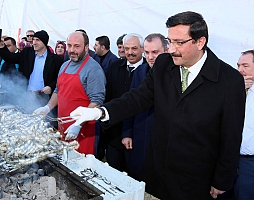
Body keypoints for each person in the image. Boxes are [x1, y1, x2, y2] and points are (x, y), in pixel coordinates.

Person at [68, 11, 246, 200]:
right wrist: (99, 112)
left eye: (179, 42)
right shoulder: (164, 64)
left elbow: (231, 136)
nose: (171, 49)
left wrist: (222, 179)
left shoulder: (229, 80)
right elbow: (138, 98)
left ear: (200, 42)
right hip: (157, 170)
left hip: (196, 177)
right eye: (170, 42)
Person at [33, 31, 106, 155]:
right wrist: (47, 107)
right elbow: (57, 91)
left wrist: (78, 124)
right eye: (70, 45)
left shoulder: (94, 69)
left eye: (77, 46)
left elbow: (97, 102)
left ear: (86, 47)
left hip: (84, 131)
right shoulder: (65, 66)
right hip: (64, 126)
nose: (72, 50)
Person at [121, 33, 168, 180]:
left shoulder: (174, 75)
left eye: (155, 52)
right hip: (140, 134)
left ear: (166, 51)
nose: (150, 57)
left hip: (162, 138)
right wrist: (127, 132)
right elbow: (131, 103)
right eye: (147, 52)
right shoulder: (140, 72)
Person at [99, 33, 146, 171]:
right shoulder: (115, 66)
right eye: (127, 48)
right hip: (114, 130)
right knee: (113, 169)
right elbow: (109, 95)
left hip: (137, 131)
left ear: (142, 49)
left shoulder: (149, 71)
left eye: (134, 48)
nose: (130, 53)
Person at [0, 30, 63, 108]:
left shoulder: (55, 59)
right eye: (34, 39)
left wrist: (51, 87)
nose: (34, 42)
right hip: (27, 96)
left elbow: (59, 79)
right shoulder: (27, 53)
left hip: (45, 98)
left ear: (44, 42)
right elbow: (10, 58)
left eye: (38, 40)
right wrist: (0, 46)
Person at [233, 50, 254, 200]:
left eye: (245, 65)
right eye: (238, 65)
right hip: (235, 160)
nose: (240, 70)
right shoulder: (233, 89)